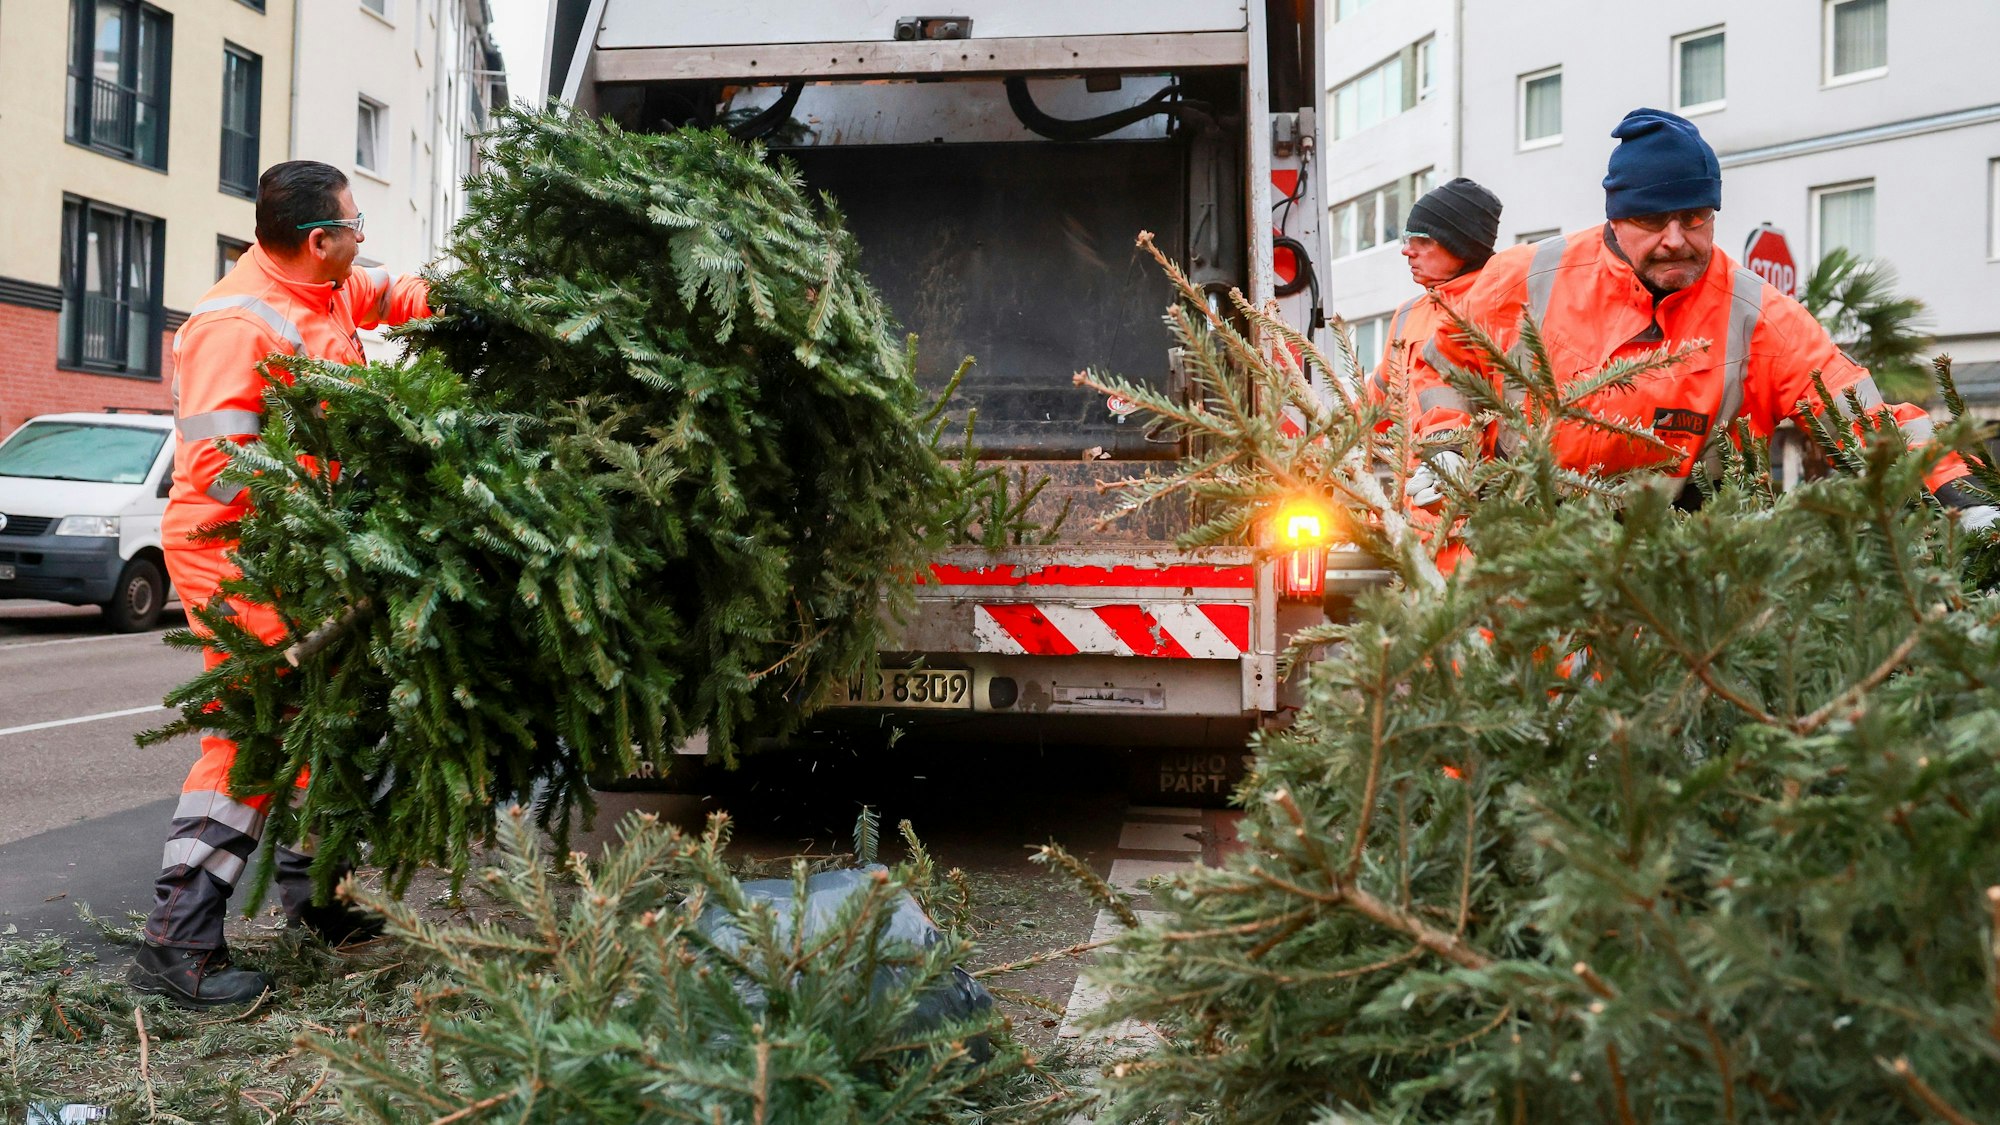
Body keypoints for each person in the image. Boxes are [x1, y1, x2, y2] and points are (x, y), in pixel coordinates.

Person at [128, 160, 433, 1008]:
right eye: (355, 224)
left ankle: (321, 900)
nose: (361, 237)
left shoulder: (319, 286)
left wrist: (462, 299)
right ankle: (176, 942)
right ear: (318, 240)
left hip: (307, 548)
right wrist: (333, 495)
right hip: (237, 555)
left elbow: (386, 293)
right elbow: (221, 468)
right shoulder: (235, 324)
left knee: (331, 717)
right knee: (256, 736)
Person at [1405, 107, 1996, 528]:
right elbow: (1446, 362)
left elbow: (1860, 412)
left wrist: (1962, 493)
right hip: (1517, 546)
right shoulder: (1527, 275)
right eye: (1650, 221)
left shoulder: (1756, 315)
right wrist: (1449, 444)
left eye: (1694, 217)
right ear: (1615, 218)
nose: (1675, 241)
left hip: (1669, 566)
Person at [1364, 177, 1503, 415]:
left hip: (1471, 453)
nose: (1407, 251)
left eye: (1424, 241)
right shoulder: (1408, 314)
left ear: (1462, 247)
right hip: (1416, 453)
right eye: (1408, 239)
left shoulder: (1500, 307)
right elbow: (1378, 402)